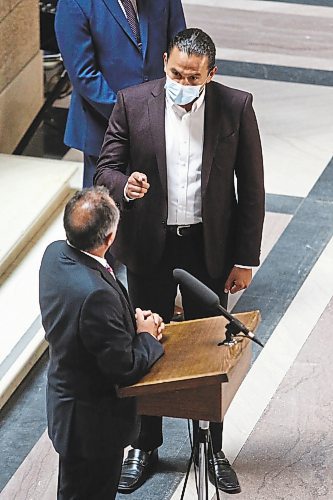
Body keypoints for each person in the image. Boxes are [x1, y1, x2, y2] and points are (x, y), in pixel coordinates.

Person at [95, 28, 265, 494]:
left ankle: (213, 446)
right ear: (165, 62)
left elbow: (251, 188)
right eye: (175, 72)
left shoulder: (236, 106)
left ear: (211, 73)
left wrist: (245, 259)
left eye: (193, 77)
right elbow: (105, 167)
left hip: (207, 248)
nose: (182, 82)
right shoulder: (132, 102)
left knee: (210, 349)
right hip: (150, 246)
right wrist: (123, 185)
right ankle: (145, 444)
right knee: (146, 341)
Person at [39, 186, 164, 500]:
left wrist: (127, 325)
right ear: (109, 238)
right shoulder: (96, 296)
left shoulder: (54, 254)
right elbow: (123, 367)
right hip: (92, 426)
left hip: (68, 407)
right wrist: (146, 335)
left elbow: (85, 330)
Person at [55, 0, 186, 187]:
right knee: (106, 211)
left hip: (162, 125)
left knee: (158, 208)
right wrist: (134, 117)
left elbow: (180, 48)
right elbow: (84, 76)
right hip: (105, 130)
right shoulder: (75, 3)